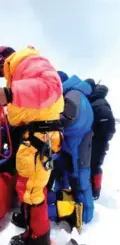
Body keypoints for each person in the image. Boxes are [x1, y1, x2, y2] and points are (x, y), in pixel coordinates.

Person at [0, 46, 64, 245]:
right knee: (28, 187)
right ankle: (30, 224)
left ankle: (38, 240)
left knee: (32, 191)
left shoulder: (27, 62)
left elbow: (52, 86)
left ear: (1, 61)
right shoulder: (20, 71)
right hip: (34, 138)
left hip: (39, 138)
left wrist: (11, 93)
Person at [48, 72, 94, 233]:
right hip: (71, 143)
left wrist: (48, 121)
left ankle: (86, 218)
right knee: (63, 176)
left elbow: (69, 117)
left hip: (78, 143)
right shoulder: (74, 92)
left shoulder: (73, 94)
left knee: (80, 179)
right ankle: (67, 211)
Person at [85, 78, 116, 200]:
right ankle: (94, 190)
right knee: (94, 165)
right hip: (100, 140)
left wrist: (98, 137)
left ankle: (94, 192)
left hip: (98, 140)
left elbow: (108, 126)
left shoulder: (98, 102)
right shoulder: (99, 101)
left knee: (94, 165)